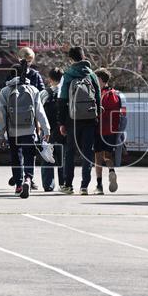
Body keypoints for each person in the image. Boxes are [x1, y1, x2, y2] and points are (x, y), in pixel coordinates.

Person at [0, 61, 50, 199]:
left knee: (16, 157)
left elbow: (1, 115)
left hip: (13, 131)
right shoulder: (33, 90)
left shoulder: (5, 91)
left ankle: (19, 184)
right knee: (29, 156)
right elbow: (39, 112)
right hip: (30, 130)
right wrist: (46, 129)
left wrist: (1, 134)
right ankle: (28, 179)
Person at [58, 46, 102, 195]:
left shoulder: (68, 75)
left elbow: (62, 99)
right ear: (84, 57)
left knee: (70, 152)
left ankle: (68, 185)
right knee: (87, 152)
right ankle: (84, 186)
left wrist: (62, 122)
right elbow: (98, 97)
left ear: (71, 59)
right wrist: (96, 115)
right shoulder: (92, 75)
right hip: (89, 118)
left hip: (72, 119)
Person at [93, 69, 126, 195]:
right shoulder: (116, 95)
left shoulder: (98, 94)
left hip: (98, 129)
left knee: (98, 157)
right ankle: (111, 171)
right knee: (108, 155)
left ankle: (99, 185)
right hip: (111, 131)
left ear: (100, 80)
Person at [38, 67, 66, 192]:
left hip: (47, 130)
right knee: (63, 157)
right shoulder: (66, 92)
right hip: (63, 129)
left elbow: (38, 112)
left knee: (47, 157)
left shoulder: (44, 93)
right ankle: (64, 183)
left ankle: (48, 185)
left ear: (50, 79)